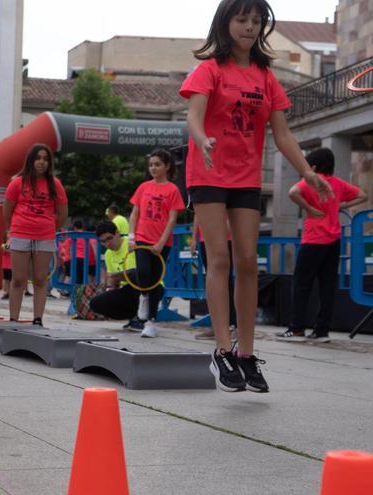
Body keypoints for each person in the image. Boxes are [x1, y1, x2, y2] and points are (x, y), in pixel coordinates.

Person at [182, 0, 333, 393]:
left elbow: (281, 134)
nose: (249, 27)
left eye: (256, 21)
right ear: (226, 22)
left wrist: (307, 173)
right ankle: (222, 350)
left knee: (248, 261)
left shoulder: (266, 77)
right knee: (219, 257)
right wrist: (201, 139)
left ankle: (246, 354)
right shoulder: (209, 69)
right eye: (242, 19)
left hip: (245, 177)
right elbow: (193, 116)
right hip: (210, 172)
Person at [279, 148, 366, 343]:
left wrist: (309, 208)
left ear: (314, 166)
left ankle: (297, 329)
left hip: (313, 240)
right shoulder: (338, 184)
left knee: (301, 284)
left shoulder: (312, 180)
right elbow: (363, 195)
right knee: (327, 286)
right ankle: (322, 331)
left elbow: (292, 192)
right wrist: (340, 206)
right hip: (334, 240)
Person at [4, 144, 68, 326]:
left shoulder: (55, 184)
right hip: (20, 235)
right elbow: (7, 211)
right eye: (38, 158)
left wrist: (48, 228)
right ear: (31, 161)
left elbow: (62, 213)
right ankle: (13, 320)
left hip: (44, 237)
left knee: (40, 279)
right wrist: (14, 229)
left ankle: (37, 319)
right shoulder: (17, 182)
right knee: (18, 279)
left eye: (46, 159)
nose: (42, 162)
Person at [127, 149, 185, 338]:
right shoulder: (143, 187)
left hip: (161, 242)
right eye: (151, 164)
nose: (153, 168)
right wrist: (131, 237)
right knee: (143, 273)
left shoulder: (173, 190)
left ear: (167, 166)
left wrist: (161, 242)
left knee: (154, 279)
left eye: (157, 164)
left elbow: (172, 220)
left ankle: (150, 321)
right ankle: (143, 296)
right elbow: (135, 213)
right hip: (142, 237)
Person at [189, 212, 238, 340]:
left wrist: (222, 235)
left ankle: (234, 324)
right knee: (213, 281)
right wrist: (194, 239)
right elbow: (198, 214)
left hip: (224, 238)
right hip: (205, 239)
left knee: (226, 280)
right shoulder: (200, 193)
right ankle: (217, 326)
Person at [89, 221, 141, 323]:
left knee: (136, 276)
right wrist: (111, 286)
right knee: (95, 303)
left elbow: (143, 272)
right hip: (128, 289)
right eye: (103, 241)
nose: (107, 244)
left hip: (148, 287)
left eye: (109, 238)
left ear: (117, 233)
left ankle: (142, 317)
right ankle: (133, 316)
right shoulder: (108, 254)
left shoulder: (131, 244)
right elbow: (113, 283)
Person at [0, 230, 12, 300]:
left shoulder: (11, 242)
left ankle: (10, 293)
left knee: (11, 280)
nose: (10, 235)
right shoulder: (5, 243)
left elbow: (8, 249)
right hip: (5, 265)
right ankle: (7, 292)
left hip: (11, 265)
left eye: (10, 234)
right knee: (7, 279)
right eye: (8, 234)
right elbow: (6, 249)